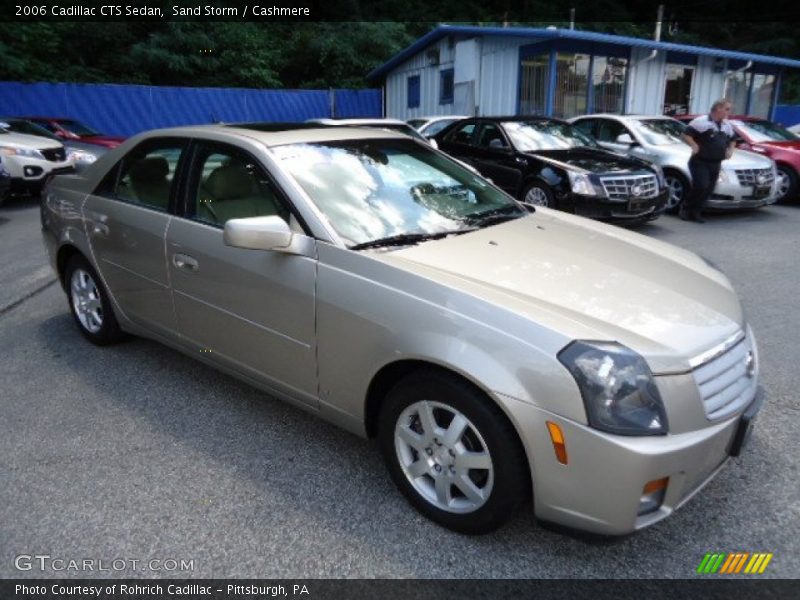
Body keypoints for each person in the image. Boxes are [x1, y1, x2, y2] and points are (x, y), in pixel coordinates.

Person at [680, 99, 737, 222]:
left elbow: (733, 139)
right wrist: (694, 145)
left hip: (715, 162)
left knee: (709, 189)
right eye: (727, 109)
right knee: (701, 185)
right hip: (700, 161)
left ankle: (696, 212)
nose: (729, 112)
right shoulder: (701, 122)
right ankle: (685, 208)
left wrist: (730, 150)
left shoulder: (726, 125)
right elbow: (685, 135)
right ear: (718, 109)